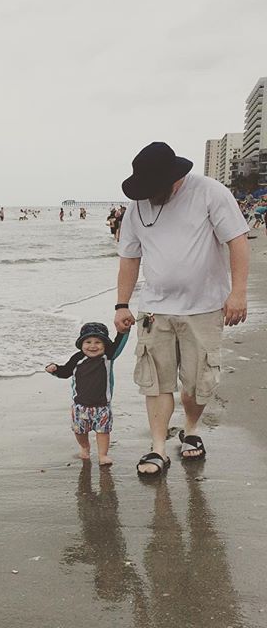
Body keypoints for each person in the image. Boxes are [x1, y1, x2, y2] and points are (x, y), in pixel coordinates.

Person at [115, 142, 249, 477]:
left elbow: (237, 240)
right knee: (156, 382)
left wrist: (238, 293)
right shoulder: (137, 205)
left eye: (154, 188)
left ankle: (191, 428)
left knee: (196, 383)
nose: (149, 195)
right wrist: (121, 304)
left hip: (203, 308)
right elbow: (130, 257)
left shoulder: (209, 192)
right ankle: (158, 448)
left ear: (175, 179)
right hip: (155, 310)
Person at [45, 322, 129, 466]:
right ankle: (85, 448)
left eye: (98, 342)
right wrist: (55, 369)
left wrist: (124, 331)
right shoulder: (77, 358)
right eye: (88, 342)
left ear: (105, 345)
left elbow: (119, 343)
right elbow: (65, 372)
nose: (93, 346)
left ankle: (102, 455)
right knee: (79, 431)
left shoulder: (108, 357)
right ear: (81, 343)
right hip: (80, 406)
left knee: (103, 432)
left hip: (102, 406)